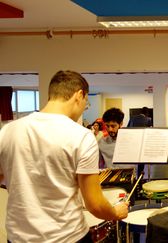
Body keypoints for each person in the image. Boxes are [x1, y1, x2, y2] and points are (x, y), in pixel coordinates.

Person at [0, 70, 129, 243]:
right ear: (79, 95)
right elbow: (95, 204)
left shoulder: (7, 131)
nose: (84, 107)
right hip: (68, 237)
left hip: (18, 238)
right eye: (86, 103)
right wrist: (116, 212)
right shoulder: (81, 136)